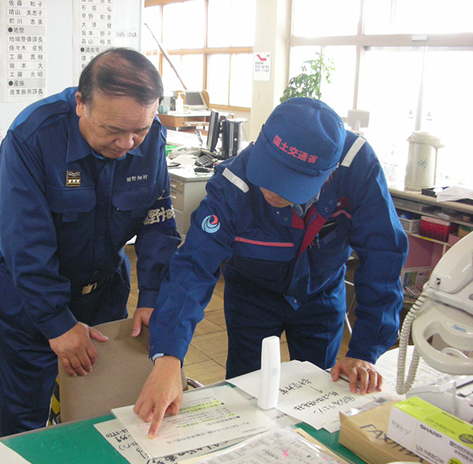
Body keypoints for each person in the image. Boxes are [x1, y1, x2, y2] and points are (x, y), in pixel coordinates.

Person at [134, 97, 409, 438]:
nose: (272, 191)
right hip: (252, 293)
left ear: (329, 174)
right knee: (246, 397)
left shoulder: (357, 167)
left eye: (288, 185)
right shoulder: (233, 184)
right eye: (268, 175)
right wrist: (168, 358)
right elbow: (194, 266)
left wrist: (366, 350)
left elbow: (383, 254)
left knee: (318, 396)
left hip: (319, 293)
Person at [0, 48, 181, 435]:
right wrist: (57, 323)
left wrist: (152, 297)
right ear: (81, 103)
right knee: (26, 412)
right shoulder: (32, 137)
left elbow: (158, 221)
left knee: (102, 408)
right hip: (29, 298)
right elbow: (26, 241)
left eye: (139, 130)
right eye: (112, 130)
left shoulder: (150, 134)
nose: (127, 143)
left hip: (103, 291)